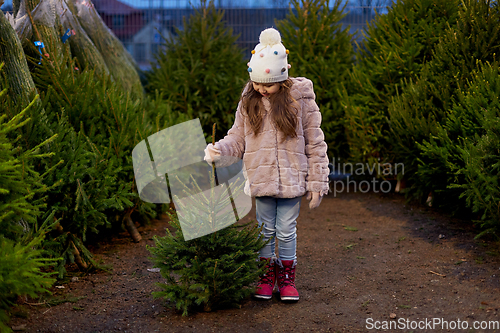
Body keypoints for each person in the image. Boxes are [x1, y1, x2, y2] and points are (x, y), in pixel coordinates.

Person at [204, 27, 329, 302]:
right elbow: (237, 138)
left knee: (285, 229)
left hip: (291, 180)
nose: (261, 89)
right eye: (257, 83)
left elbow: (315, 143)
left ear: (282, 80)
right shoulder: (249, 101)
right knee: (264, 229)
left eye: (268, 85)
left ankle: (286, 279)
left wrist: (318, 182)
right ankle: (265, 275)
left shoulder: (301, 102)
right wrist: (219, 150)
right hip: (261, 179)